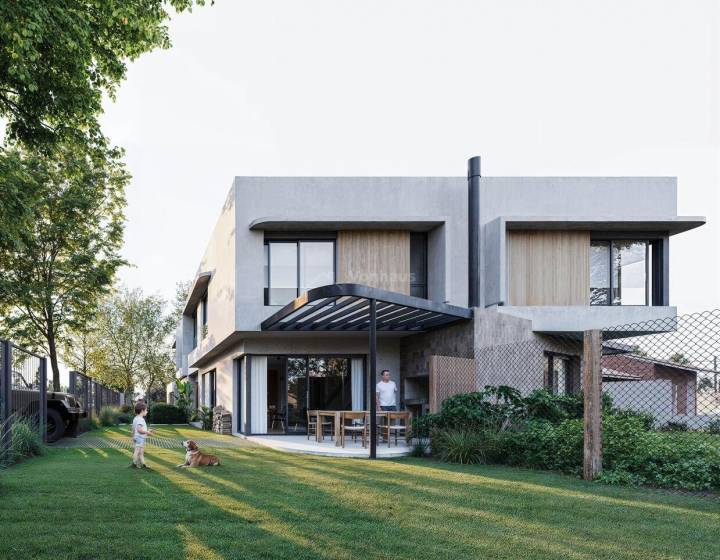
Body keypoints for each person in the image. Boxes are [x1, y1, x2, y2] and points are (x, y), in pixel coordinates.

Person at [131, 402, 155, 469]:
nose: (147, 412)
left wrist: (133, 437)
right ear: (142, 411)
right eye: (146, 410)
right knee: (137, 451)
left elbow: (133, 429)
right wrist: (147, 432)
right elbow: (139, 430)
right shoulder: (140, 419)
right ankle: (134, 464)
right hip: (140, 438)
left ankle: (143, 463)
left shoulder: (136, 418)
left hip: (137, 437)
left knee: (141, 452)